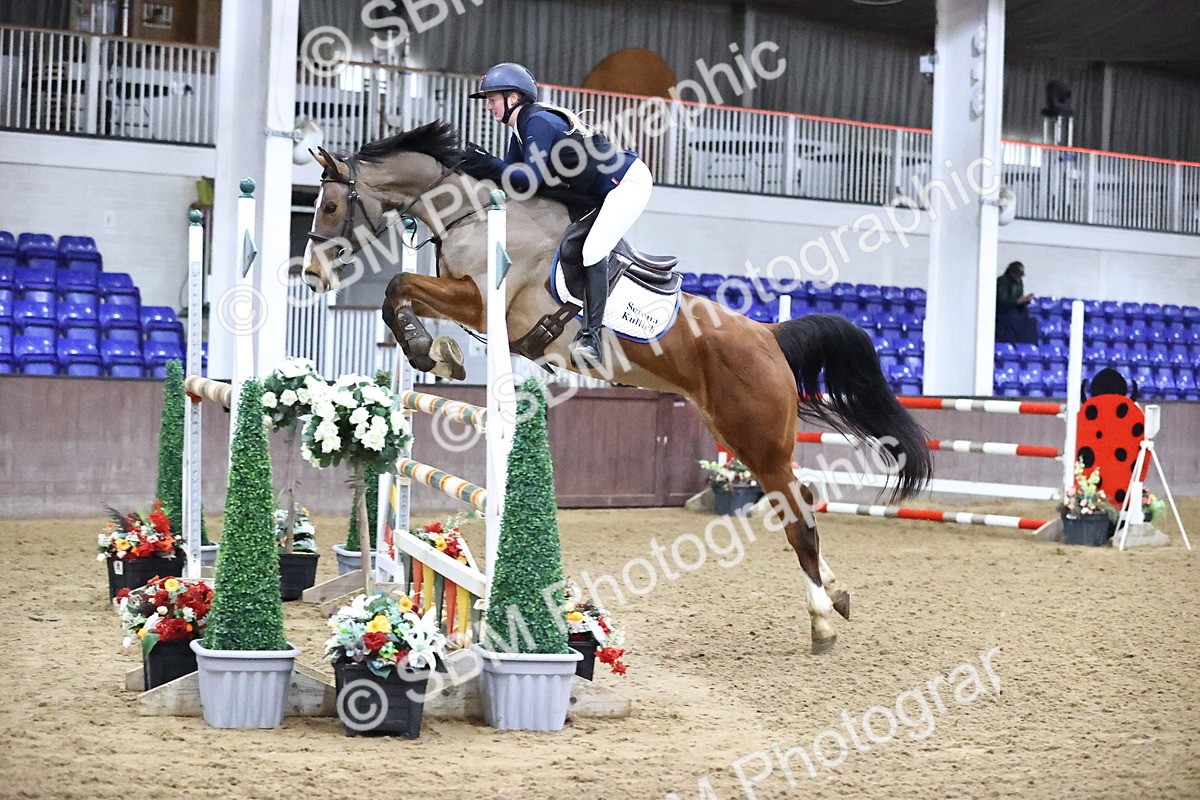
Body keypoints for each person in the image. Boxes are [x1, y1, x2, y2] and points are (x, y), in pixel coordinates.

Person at [465, 62, 654, 368]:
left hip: (626, 183)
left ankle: (592, 338)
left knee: (593, 250)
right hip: (593, 191)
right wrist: (473, 167)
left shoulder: (537, 123)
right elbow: (513, 186)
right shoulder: (520, 132)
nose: (488, 105)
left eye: (492, 98)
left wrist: (485, 162)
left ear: (513, 98)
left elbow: (528, 180)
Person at [995, 261, 1039, 344]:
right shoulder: (1002, 281)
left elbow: (1019, 297)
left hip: (1016, 312)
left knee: (1031, 322)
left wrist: (1025, 301)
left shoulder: (1019, 282)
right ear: (1011, 272)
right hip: (1004, 313)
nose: (1019, 277)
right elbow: (1002, 301)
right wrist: (1017, 301)